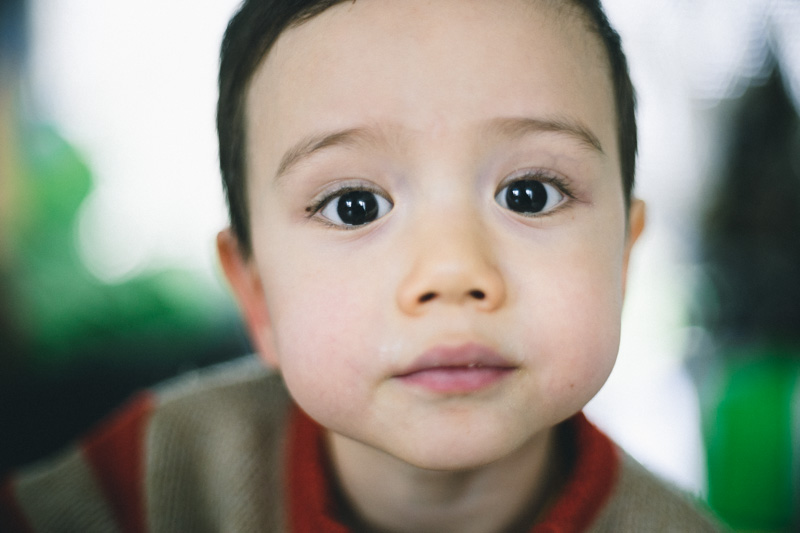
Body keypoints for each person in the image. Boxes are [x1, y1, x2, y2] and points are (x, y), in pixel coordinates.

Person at [1, 0, 725, 531]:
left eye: (529, 194)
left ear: (623, 261)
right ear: (257, 295)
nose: (451, 272)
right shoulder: (151, 482)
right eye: (354, 206)